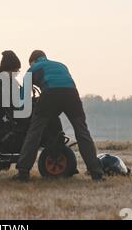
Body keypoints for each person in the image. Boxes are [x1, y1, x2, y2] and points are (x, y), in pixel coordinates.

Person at [14, 50, 104, 182]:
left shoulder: (32, 68)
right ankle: (96, 172)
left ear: (32, 61)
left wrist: (18, 109)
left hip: (50, 94)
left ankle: (23, 172)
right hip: (72, 94)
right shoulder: (61, 65)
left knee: (35, 133)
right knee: (82, 132)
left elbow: (23, 97)